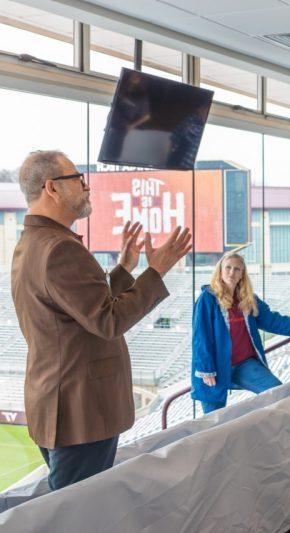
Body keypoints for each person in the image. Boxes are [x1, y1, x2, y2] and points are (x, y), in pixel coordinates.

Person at [10, 150, 191, 491]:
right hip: (81, 412)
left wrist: (123, 269)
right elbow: (108, 322)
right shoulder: (60, 248)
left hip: (61, 405)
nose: (86, 186)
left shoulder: (34, 243)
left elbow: (80, 311)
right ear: (52, 188)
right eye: (78, 179)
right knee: (76, 517)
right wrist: (157, 271)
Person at [191, 253, 290, 414]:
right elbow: (201, 337)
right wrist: (206, 369)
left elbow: (270, 319)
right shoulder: (207, 299)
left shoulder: (247, 299)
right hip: (215, 367)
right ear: (220, 270)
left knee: (278, 392)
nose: (231, 272)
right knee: (214, 421)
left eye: (237, 269)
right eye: (228, 267)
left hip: (244, 364)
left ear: (242, 275)